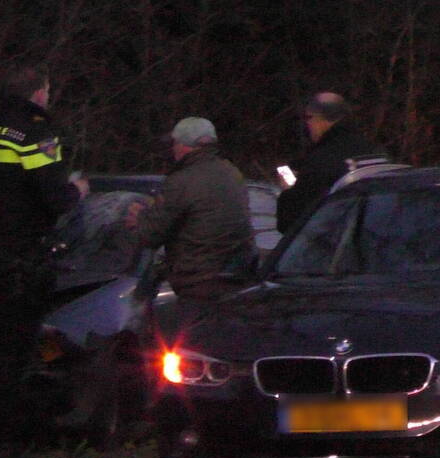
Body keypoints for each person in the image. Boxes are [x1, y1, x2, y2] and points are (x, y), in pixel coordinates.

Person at [0, 65, 88, 458]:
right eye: (47, 92)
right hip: (19, 256)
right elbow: (54, 198)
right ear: (37, 94)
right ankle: (7, 445)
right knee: (15, 353)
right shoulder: (36, 134)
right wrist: (77, 190)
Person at [127, 116, 255, 307]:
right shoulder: (232, 172)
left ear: (183, 145)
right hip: (237, 276)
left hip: (199, 281)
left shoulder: (181, 181)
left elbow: (152, 235)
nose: (172, 149)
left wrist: (139, 218)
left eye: (175, 143)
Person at [275, 92, 384, 234]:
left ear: (321, 118)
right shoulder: (377, 151)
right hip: (378, 239)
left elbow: (292, 223)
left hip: (339, 247)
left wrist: (289, 190)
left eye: (309, 117)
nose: (307, 124)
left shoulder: (322, 160)